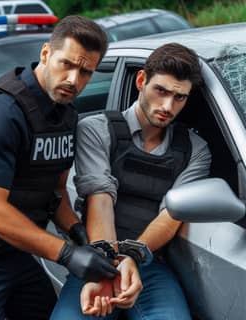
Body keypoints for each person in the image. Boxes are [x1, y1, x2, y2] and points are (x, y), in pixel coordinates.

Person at [0, 15, 119, 320]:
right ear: (46, 53)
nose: (74, 80)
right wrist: (68, 254)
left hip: (17, 252)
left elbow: (54, 191)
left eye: (86, 72)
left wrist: (79, 235)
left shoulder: (66, 115)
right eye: (67, 65)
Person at [50, 43, 212, 319]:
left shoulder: (196, 149)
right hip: (96, 257)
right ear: (141, 81)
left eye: (179, 98)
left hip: (149, 263)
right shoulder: (96, 129)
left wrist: (132, 258)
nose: (167, 106)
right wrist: (105, 267)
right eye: (160, 91)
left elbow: (171, 215)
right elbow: (100, 199)